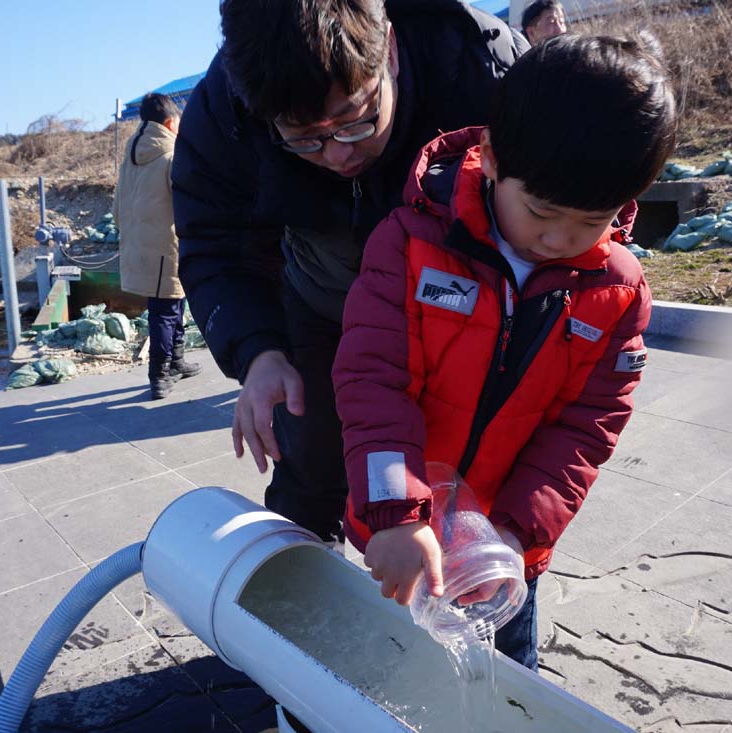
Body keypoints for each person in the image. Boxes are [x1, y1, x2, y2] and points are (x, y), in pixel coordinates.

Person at [332, 33, 677, 669]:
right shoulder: (410, 244)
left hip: (504, 548)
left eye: (590, 221)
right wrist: (394, 514)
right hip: (404, 530)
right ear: (490, 157)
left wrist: (517, 534)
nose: (560, 238)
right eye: (542, 211)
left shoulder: (618, 292)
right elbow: (373, 384)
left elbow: (587, 428)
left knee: (508, 674)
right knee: (389, 664)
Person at [173, 0, 529, 545]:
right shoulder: (225, 109)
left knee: (478, 492)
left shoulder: (486, 70)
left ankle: (493, 614)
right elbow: (214, 242)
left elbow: (565, 212)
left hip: (461, 311)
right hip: (322, 304)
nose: (338, 156)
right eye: (304, 138)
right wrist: (258, 352)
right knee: (310, 470)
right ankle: (299, 613)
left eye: (355, 122)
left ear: (388, 50)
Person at [113, 92, 202, 400]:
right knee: (165, 311)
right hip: (168, 246)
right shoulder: (171, 156)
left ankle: (175, 361)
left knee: (170, 306)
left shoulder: (130, 160)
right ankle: (159, 375)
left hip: (140, 247)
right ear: (168, 123)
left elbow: (116, 210)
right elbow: (187, 205)